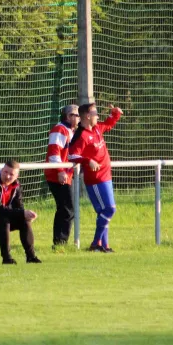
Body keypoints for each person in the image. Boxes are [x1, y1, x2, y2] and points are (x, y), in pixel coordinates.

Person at [68, 103, 123, 253]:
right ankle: (95, 243)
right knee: (109, 209)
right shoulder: (82, 135)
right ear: (87, 116)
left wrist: (115, 114)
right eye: (95, 113)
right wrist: (88, 160)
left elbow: (108, 124)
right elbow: (71, 154)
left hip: (106, 176)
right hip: (96, 179)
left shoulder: (97, 128)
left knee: (104, 212)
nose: (98, 116)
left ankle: (104, 245)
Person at [45, 104, 80, 250]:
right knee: (67, 209)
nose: (79, 118)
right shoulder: (60, 129)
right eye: (77, 115)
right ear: (68, 116)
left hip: (65, 174)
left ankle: (60, 242)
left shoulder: (70, 131)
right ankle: (60, 243)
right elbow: (54, 152)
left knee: (65, 208)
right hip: (57, 175)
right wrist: (60, 170)